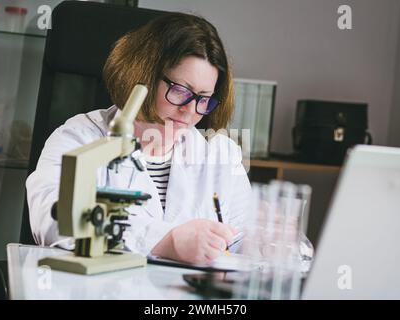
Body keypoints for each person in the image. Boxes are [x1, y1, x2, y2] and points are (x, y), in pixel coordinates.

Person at [26, 12, 251, 265]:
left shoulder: (220, 154)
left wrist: (278, 244)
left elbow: (247, 244)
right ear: (143, 77)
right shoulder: (79, 138)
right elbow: (52, 221)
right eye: (180, 91)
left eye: (203, 98)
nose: (190, 111)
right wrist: (167, 241)